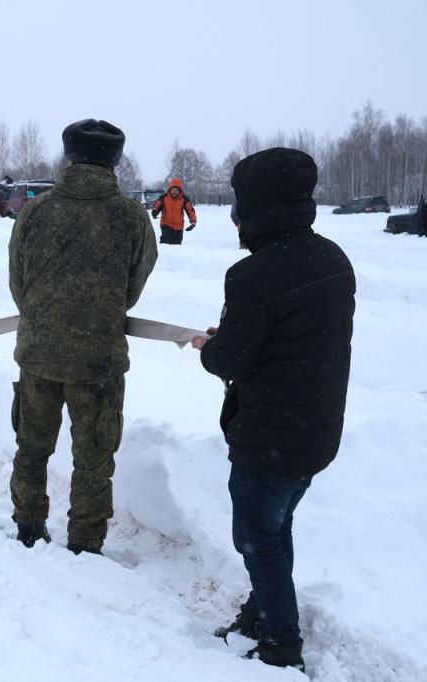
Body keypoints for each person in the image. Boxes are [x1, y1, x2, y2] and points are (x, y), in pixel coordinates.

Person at [190, 148, 355, 673]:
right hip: (315, 431)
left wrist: (209, 346)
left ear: (255, 207)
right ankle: (260, 611)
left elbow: (230, 360)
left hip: (269, 437)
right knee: (276, 525)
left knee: (257, 539)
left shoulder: (252, 275)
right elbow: (290, 337)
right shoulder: (333, 258)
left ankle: (280, 642)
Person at [8, 119, 157, 555]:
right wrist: (99, 311)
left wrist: (43, 316)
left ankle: (29, 528)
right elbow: (134, 284)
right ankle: (85, 544)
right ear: (115, 160)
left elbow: (19, 282)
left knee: (32, 448)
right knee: (94, 460)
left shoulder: (36, 210)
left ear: (69, 156)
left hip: (37, 354)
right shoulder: (131, 216)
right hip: (99, 362)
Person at [151, 178, 197, 244]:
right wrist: (154, 212)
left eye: (176, 190)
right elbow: (157, 206)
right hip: (165, 224)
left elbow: (190, 211)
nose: (174, 192)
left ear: (179, 191)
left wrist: (193, 222)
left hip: (179, 226)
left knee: (177, 245)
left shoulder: (184, 199)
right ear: (170, 189)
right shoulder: (164, 197)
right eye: (173, 190)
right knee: (165, 242)